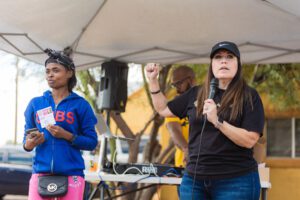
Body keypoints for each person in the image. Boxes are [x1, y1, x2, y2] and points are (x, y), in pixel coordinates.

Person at [145, 41, 265, 200]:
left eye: (229, 57)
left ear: (238, 64)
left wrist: (217, 121)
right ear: (212, 65)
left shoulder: (249, 96)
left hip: (236, 180)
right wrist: (153, 81)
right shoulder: (196, 93)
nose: (223, 61)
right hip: (194, 179)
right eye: (218, 57)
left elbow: (250, 140)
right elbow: (163, 109)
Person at [23, 49, 98, 200]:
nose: (50, 75)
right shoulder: (35, 104)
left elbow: (91, 142)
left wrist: (68, 136)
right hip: (40, 173)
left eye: (56, 70)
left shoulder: (81, 105)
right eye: (47, 71)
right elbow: (26, 141)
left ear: (69, 73)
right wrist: (29, 144)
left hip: (72, 175)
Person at [165, 66, 196, 168]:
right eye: (174, 85)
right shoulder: (175, 105)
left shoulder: (206, 100)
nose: (177, 88)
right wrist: (186, 149)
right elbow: (174, 130)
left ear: (191, 80)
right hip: (185, 164)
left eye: (179, 83)